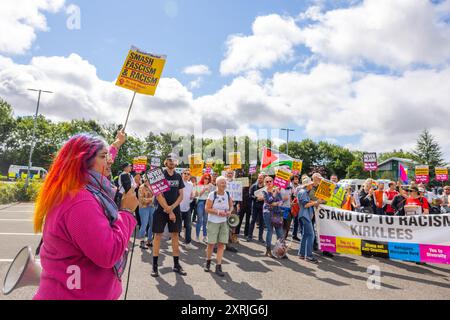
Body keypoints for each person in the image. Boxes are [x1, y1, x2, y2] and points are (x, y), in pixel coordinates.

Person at [33, 131, 138, 300]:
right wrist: (126, 212)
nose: (110, 160)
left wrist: (117, 144)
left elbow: (101, 156)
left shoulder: (80, 188)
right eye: (104, 156)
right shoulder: (80, 201)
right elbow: (108, 254)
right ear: (83, 162)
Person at [151, 154, 186, 277]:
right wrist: (168, 210)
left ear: (176, 163)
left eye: (174, 160)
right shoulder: (159, 175)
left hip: (175, 209)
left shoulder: (178, 176)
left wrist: (172, 208)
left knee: (175, 236)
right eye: (169, 160)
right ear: (166, 162)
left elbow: (181, 195)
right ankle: (154, 267)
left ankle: (176, 265)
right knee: (157, 236)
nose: (172, 162)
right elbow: (158, 195)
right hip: (161, 209)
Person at [204, 176, 233, 276]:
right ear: (217, 184)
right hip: (213, 222)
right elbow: (207, 209)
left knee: (221, 244)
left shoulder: (227, 194)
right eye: (222, 183)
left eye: (225, 183)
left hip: (223, 222)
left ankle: (218, 266)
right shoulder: (212, 194)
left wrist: (230, 211)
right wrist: (218, 212)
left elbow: (231, 205)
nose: (224, 185)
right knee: (211, 244)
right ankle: (208, 261)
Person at [262, 176, 285, 258]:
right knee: (270, 231)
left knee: (280, 232)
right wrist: (274, 194)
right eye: (267, 181)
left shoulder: (277, 190)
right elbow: (269, 201)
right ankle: (268, 250)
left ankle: (281, 251)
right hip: (267, 213)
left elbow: (281, 201)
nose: (269, 183)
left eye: (270, 181)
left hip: (277, 213)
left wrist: (278, 203)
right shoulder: (264, 191)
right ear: (265, 183)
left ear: (273, 181)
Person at [297, 176, 319, 264]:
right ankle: (308, 256)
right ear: (307, 185)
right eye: (311, 184)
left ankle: (302, 253)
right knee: (311, 235)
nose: (312, 185)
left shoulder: (303, 192)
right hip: (305, 215)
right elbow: (305, 205)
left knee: (305, 235)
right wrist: (316, 202)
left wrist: (314, 202)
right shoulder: (303, 192)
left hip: (305, 215)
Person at [195, 173, 215, 243]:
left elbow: (213, 195)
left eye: (208, 178)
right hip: (200, 202)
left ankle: (204, 236)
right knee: (199, 220)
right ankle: (197, 236)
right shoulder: (199, 185)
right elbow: (197, 195)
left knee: (205, 220)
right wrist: (204, 189)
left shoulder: (211, 186)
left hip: (207, 203)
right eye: (205, 178)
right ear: (203, 178)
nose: (206, 180)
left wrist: (209, 189)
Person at [179, 169, 196, 249]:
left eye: (188, 174)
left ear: (190, 176)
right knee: (177, 226)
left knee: (188, 226)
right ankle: (175, 241)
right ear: (182, 174)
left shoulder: (191, 184)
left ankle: (188, 243)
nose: (186, 175)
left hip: (187, 208)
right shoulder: (179, 183)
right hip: (178, 208)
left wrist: (193, 196)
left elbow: (192, 193)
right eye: (185, 173)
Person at [247, 173, 265, 242]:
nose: (260, 179)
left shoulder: (266, 187)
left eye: (261, 178)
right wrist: (256, 198)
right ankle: (249, 236)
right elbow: (250, 195)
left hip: (263, 207)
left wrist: (264, 198)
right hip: (255, 206)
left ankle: (260, 238)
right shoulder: (253, 186)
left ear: (263, 179)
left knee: (261, 222)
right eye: (259, 178)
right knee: (252, 221)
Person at [138, 176, 155, 249]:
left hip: (152, 207)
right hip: (144, 207)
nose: (148, 180)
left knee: (152, 224)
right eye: (147, 179)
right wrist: (152, 199)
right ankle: (142, 241)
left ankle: (149, 240)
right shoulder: (142, 187)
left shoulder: (154, 186)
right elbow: (141, 199)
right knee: (144, 224)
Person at [290, 175, 301, 241]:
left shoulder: (299, 186)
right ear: (292, 180)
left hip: (296, 206)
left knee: (296, 221)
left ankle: (294, 235)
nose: (297, 180)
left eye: (297, 179)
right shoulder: (290, 186)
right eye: (295, 179)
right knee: (287, 222)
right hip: (290, 205)